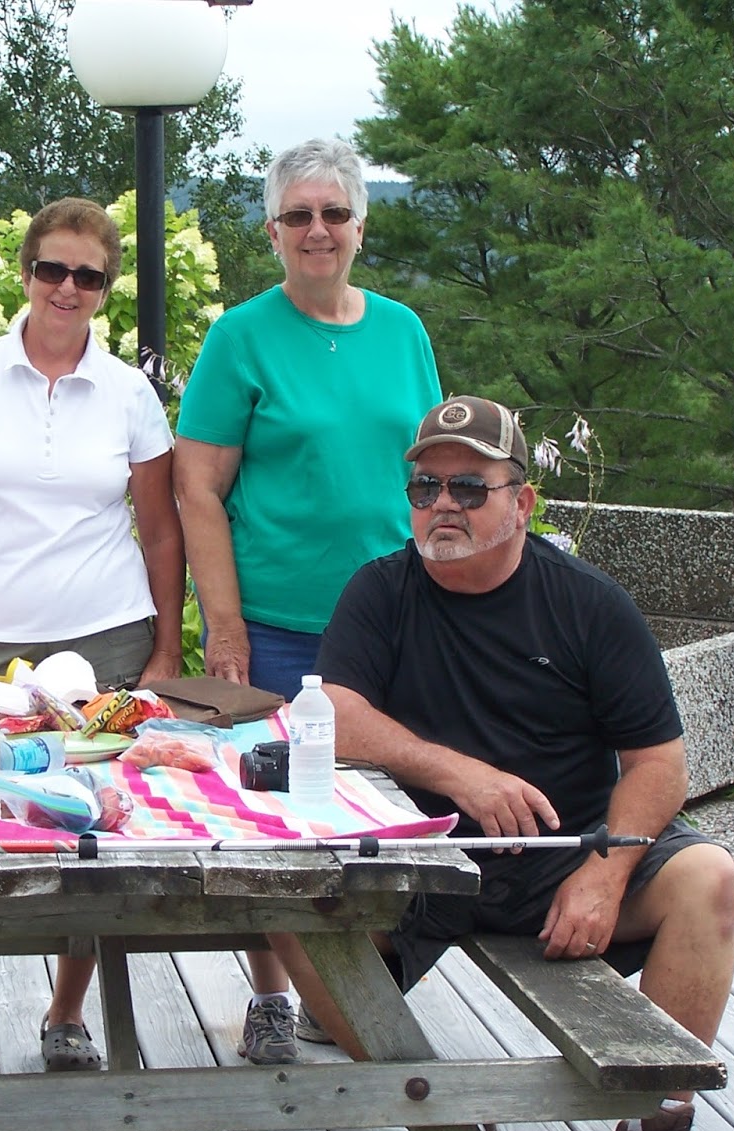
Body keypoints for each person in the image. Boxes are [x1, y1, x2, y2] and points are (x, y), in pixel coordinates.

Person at [271, 396, 734, 1131]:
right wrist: (461, 774)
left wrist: (607, 869)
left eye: (469, 486)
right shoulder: (380, 591)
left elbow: (660, 763)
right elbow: (335, 716)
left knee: (710, 878)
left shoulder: (589, 603)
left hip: (566, 859)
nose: (442, 504)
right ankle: (447, 1129)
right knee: (285, 910)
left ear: (521, 502)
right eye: (425, 488)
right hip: (423, 864)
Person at [0, 197, 185, 1076]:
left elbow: (161, 530)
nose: (67, 288)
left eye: (87, 276)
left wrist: (166, 651)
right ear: (25, 272)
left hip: (108, 639)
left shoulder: (130, 391)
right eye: (52, 269)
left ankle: (66, 1014)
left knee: (89, 831)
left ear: (106, 290)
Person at [174, 136, 441, 1065]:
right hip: (282, 629)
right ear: (274, 232)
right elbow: (196, 486)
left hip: (395, 624)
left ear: (360, 226)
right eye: (299, 216)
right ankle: (275, 993)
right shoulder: (240, 337)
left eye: (334, 213)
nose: (317, 230)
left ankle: (368, 983)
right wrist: (227, 623)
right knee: (277, 819)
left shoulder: (404, 331)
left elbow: (432, 475)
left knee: (383, 810)